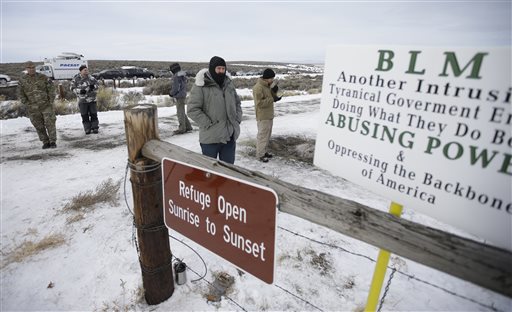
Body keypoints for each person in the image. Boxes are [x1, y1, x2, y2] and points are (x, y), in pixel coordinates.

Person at [187, 56, 242, 164]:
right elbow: (192, 109)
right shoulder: (201, 86)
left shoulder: (229, 84)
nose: (221, 71)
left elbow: (237, 103)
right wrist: (208, 123)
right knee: (210, 172)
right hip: (210, 138)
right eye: (218, 68)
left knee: (229, 170)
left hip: (229, 136)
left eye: (223, 69)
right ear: (212, 69)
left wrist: (237, 119)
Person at [18, 61, 57, 149]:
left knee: (50, 123)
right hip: (33, 107)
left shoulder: (43, 77)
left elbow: (51, 88)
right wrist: (27, 103)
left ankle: (53, 141)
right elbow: (20, 93)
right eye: (29, 68)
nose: (31, 69)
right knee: (38, 125)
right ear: (26, 69)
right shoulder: (22, 80)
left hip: (46, 105)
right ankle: (45, 141)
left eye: (33, 67)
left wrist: (51, 100)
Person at [252, 68, 281, 162]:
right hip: (263, 116)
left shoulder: (267, 86)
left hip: (269, 115)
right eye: (271, 78)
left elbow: (270, 97)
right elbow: (259, 103)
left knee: (267, 135)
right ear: (266, 78)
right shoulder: (258, 87)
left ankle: (264, 152)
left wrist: (275, 93)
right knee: (262, 136)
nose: (272, 80)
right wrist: (272, 99)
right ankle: (259, 155)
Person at [71, 65, 99, 134]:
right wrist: (79, 91)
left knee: (93, 114)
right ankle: (87, 128)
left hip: (92, 99)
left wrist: (94, 86)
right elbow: (72, 88)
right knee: (84, 115)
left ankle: (95, 127)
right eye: (85, 70)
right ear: (81, 71)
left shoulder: (91, 78)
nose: (86, 71)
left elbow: (98, 85)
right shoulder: (76, 79)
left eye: (87, 70)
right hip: (82, 100)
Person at [169, 63, 193, 134]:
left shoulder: (176, 77)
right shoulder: (183, 75)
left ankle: (182, 128)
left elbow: (176, 87)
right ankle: (188, 126)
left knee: (180, 112)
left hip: (179, 95)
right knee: (181, 111)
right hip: (183, 94)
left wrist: (171, 93)